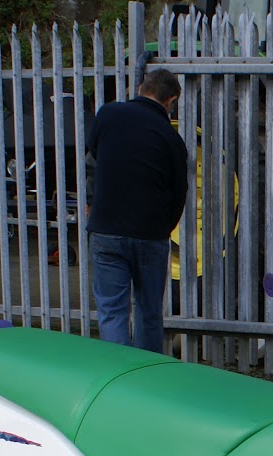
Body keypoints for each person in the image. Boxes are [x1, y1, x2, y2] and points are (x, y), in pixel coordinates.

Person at [86, 68, 188, 353]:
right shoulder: (172, 139)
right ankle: (147, 381)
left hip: (106, 229)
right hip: (149, 234)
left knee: (111, 310)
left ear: (142, 87)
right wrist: (162, 227)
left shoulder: (107, 115)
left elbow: (94, 157)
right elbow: (179, 192)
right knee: (149, 311)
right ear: (171, 100)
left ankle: (118, 380)